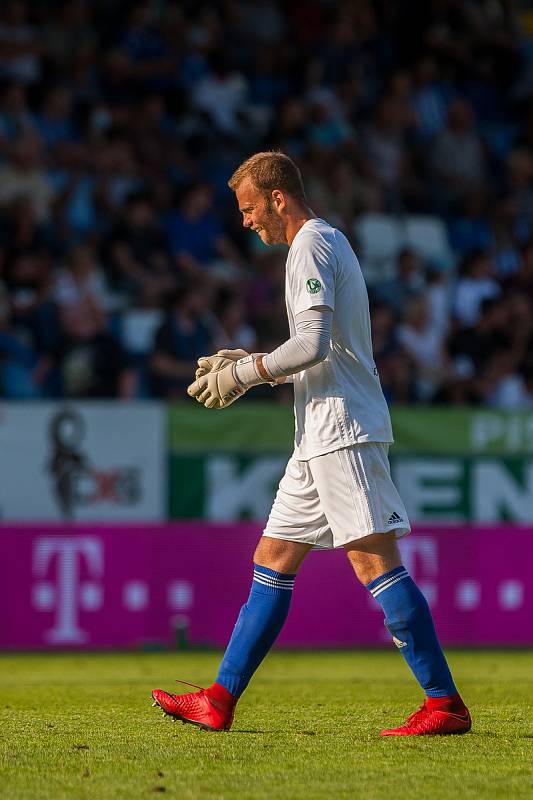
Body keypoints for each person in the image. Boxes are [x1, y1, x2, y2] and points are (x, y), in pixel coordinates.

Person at [151, 151, 471, 736]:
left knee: (375, 562)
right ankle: (219, 700)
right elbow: (312, 346)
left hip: (341, 429)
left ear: (278, 197)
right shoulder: (321, 245)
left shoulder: (312, 245)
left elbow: (314, 345)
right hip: (318, 433)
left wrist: (246, 373)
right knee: (272, 559)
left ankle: (444, 705)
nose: (246, 223)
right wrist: (250, 358)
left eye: (249, 209)